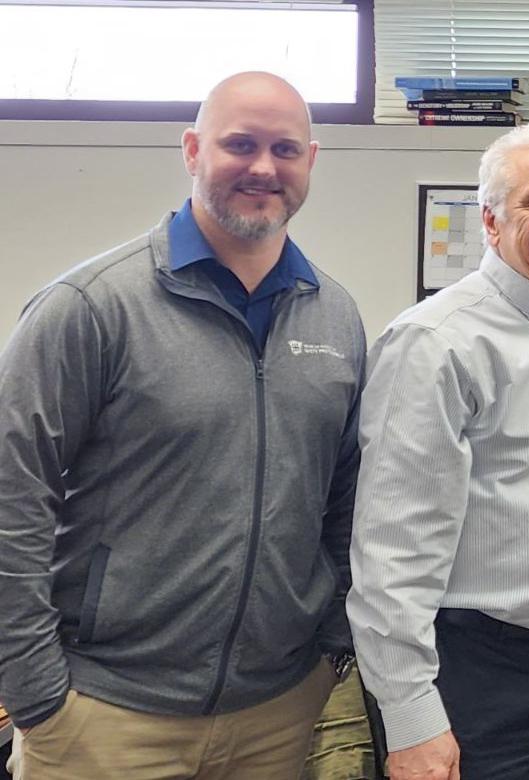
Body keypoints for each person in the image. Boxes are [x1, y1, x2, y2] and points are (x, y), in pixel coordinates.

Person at [0, 71, 364, 779]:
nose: (263, 167)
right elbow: (12, 500)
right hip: (103, 717)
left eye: (284, 149)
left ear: (310, 162)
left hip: (281, 714)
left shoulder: (335, 316)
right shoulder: (90, 308)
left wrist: (331, 647)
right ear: (193, 150)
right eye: (240, 144)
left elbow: (346, 501)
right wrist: (37, 691)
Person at [347, 122, 529, 780]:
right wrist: (411, 717)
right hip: (474, 674)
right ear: (490, 220)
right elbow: (392, 547)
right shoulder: (437, 342)